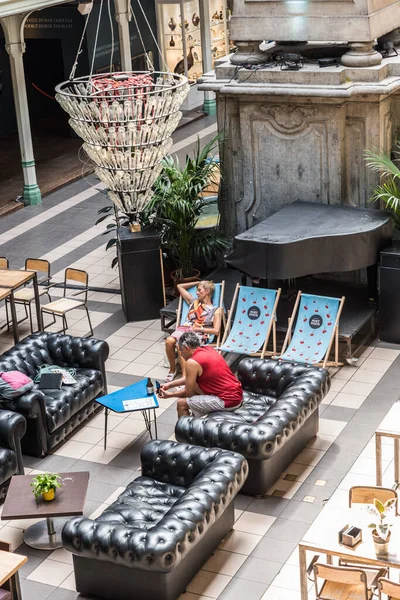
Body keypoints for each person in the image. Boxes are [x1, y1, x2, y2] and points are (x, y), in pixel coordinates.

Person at [159, 331, 243, 417]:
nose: (181, 354)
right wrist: (169, 385)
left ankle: (184, 428)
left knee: (181, 403)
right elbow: (189, 379)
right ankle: (195, 418)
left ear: (187, 348)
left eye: (181, 351)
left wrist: (169, 395)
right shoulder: (209, 349)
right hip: (237, 393)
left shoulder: (192, 362)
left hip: (227, 401)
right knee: (194, 385)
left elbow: (187, 392)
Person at [164, 280, 222, 383]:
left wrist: (198, 329)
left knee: (180, 344)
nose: (197, 293)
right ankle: (172, 370)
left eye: (199, 290)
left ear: (207, 291)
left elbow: (216, 331)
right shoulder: (193, 302)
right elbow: (179, 286)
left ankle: (184, 377)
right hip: (184, 330)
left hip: (199, 334)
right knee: (169, 341)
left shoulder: (215, 310)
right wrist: (197, 283)